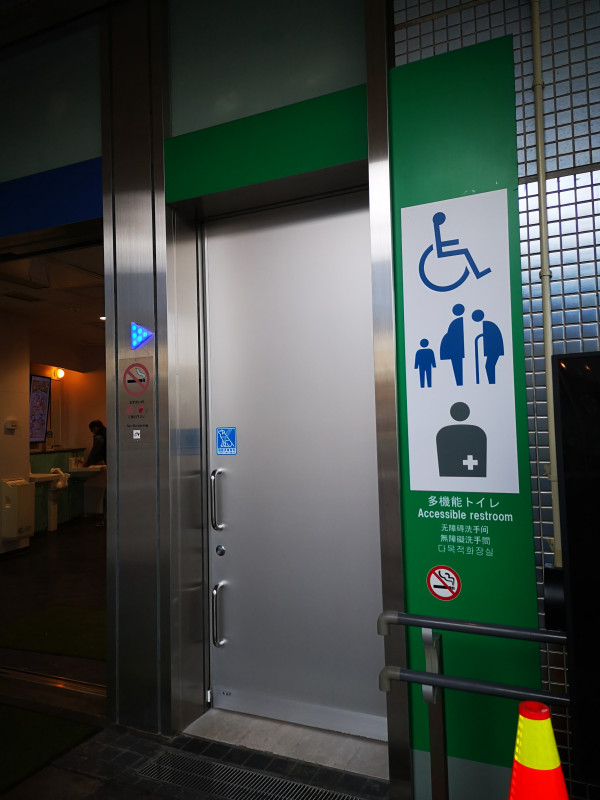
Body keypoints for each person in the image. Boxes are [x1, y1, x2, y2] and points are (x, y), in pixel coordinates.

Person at [85, 420, 107, 526]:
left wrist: (88, 463)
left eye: (92, 430)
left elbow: (95, 452)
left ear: (95, 427)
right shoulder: (107, 433)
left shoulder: (99, 437)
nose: (92, 432)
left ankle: (106, 519)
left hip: (112, 465)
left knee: (107, 495)